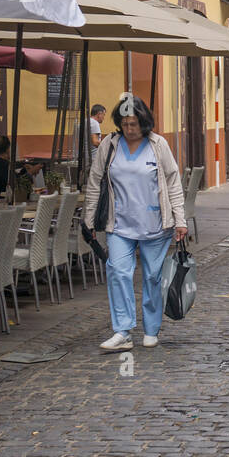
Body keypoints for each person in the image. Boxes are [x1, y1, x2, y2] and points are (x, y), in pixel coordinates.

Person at [84, 97, 188, 352]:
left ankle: (151, 329)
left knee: (152, 277)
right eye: (125, 124)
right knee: (118, 272)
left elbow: (173, 182)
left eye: (134, 124)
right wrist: (88, 220)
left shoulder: (157, 144)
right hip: (118, 223)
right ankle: (123, 330)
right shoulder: (110, 144)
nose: (130, 129)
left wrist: (180, 220)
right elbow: (95, 181)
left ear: (144, 122)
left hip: (155, 224)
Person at [0, 135, 43, 200]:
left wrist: (24, 170)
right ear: (8, 149)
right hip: (4, 201)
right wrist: (31, 172)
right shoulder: (3, 165)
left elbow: (15, 178)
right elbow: (18, 185)